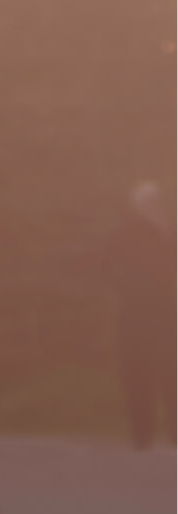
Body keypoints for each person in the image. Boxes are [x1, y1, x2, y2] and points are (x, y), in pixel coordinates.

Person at [104, 181, 176, 449]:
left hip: (165, 310)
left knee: (171, 370)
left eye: (156, 201)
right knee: (136, 370)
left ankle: (175, 429)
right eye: (147, 201)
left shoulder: (169, 231)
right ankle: (141, 432)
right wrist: (125, 288)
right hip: (134, 311)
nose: (153, 206)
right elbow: (106, 267)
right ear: (136, 205)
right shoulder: (124, 233)